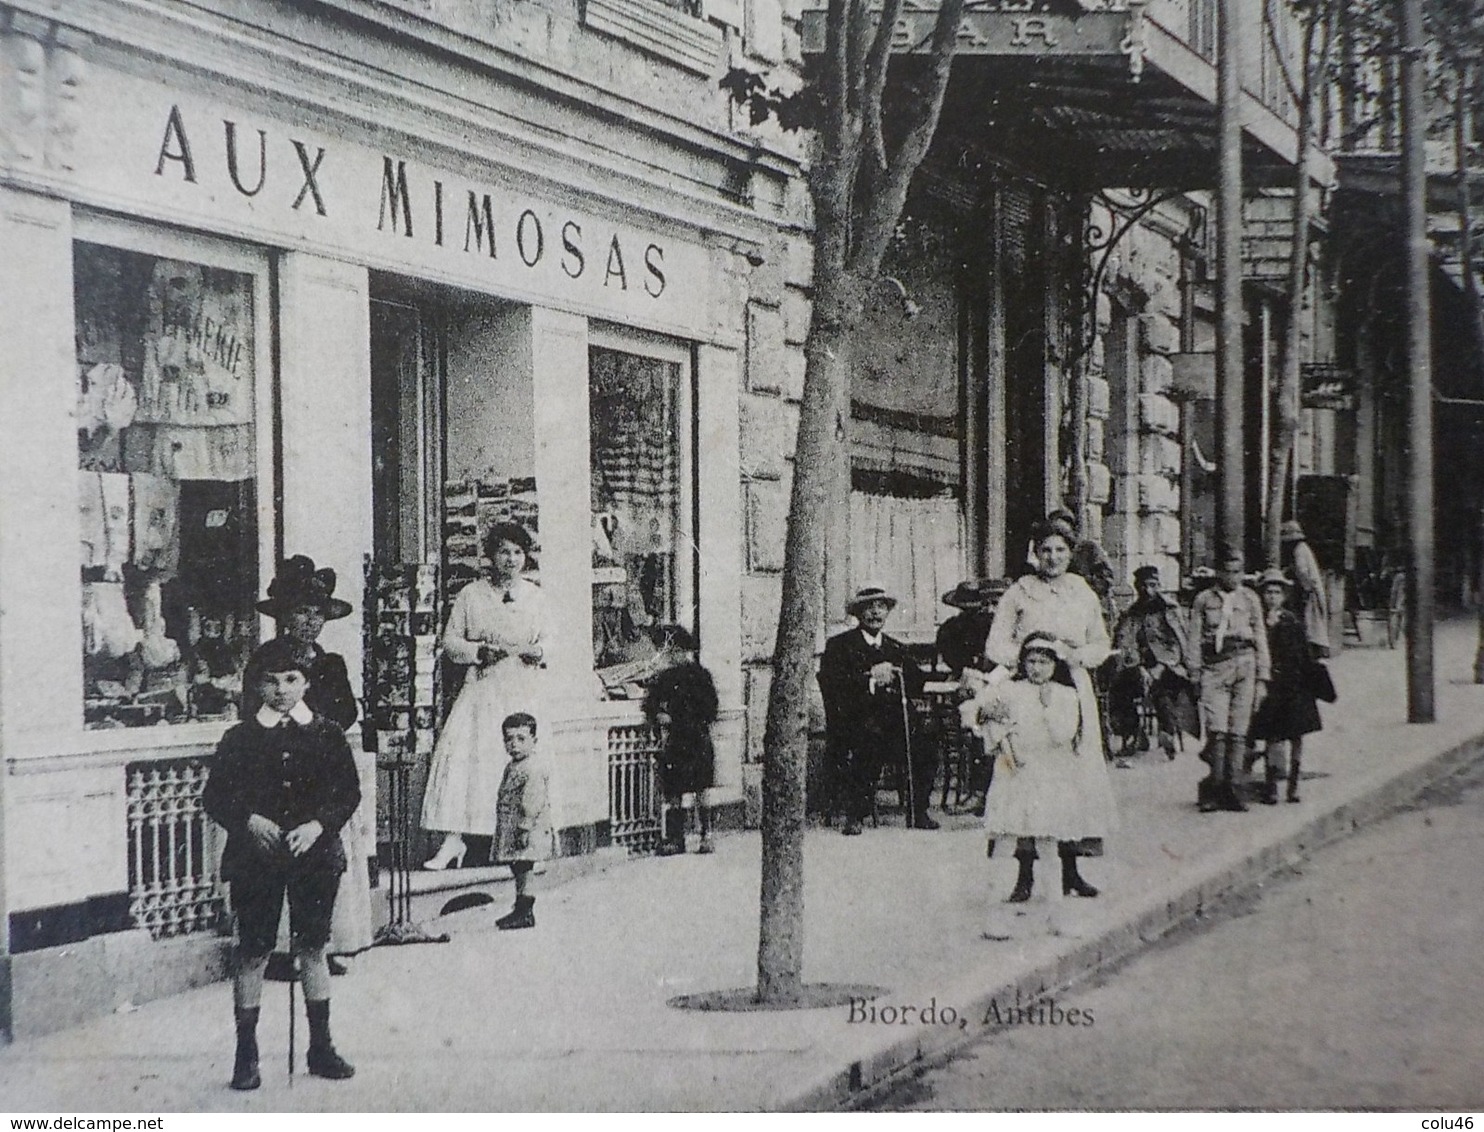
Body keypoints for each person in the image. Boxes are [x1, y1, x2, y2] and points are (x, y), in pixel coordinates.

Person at [202, 637, 360, 1090]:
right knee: (253, 950)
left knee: (313, 947)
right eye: (270, 682)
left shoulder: (328, 734)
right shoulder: (240, 738)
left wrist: (318, 825)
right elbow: (215, 796)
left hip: (316, 856)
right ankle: (246, 1053)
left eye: (291, 680)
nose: (282, 691)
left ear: (307, 682)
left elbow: (347, 793)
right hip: (257, 859)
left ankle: (321, 1046)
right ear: (257, 686)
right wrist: (247, 820)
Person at [243, 556, 370, 979]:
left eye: (317, 614)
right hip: (274, 770)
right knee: (276, 855)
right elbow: (251, 713)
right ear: (284, 616)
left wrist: (317, 726)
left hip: (320, 771)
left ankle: (317, 945)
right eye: (301, 613)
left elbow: (347, 711)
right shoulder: (267, 662)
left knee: (322, 860)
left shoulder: (330, 664)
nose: (310, 622)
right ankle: (279, 952)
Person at [984, 519, 1114, 886]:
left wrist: (1072, 654)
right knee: (1025, 777)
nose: (1053, 557)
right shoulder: (1020, 592)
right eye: (1045, 550)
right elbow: (995, 644)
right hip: (1027, 689)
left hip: (1071, 689)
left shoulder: (1082, 591)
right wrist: (1029, 657)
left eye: (1060, 550)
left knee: (1072, 777)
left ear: (1070, 554)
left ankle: (1070, 871)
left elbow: (1100, 643)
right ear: (1035, 553)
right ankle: (1024, 875)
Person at [422, 523, 548, 870]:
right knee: (469, 759)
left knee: (522, 762)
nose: (511, 559)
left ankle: (526, 846)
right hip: (482, 688)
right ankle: (454, 842)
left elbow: (553, 640)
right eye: (504, 551)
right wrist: (478, 652)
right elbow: (450, 643)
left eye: (518, 552)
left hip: (521, 689)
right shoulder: (471, 595)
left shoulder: (536, 596)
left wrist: (537, 651)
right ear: (491, 556)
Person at [963, 633, 1117, 903]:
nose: (1036, 668)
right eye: (1031, 661)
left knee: (1048, 840)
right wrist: (988, 717)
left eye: (1044, 662)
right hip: (1015, 773)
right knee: (1006, 837)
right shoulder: (1011, 689)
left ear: (1056, 665)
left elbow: (1063, 734)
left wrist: (1047, 707)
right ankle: (996, 907)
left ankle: (1056, 910)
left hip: (1049, 774)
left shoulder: (1067, 695)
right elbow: (979, 714)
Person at [818, 583, 936, 835]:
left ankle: (919, 811)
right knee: (869, 740)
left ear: (887, 612)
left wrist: (898, 675)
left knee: (926, 741)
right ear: (858, 613)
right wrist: (869, 678)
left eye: (881, 607)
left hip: (893, 723)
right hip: (854, 722)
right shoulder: (839, 645)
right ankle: (856, 814)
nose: (875, 612)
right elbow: (832, 684)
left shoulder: (896, 648)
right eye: (868, 607)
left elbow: (917, 682)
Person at [1188, 546, 1270, 813]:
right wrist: (1195, 672)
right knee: (1217, 729)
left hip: (1245, 664)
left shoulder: (1250, 599)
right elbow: (1194, 638)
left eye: (1238, 572)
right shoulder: (1203, 600)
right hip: (1215, 667)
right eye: (1228, 571)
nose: (1233, 577)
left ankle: (1234, 790)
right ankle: (1214, 789)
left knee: (1238, 731)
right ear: (1218, 572)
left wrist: (1262, 677)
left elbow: (1260, 637)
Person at [642, 626, 719, 855]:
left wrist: (692, 718)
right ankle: (678, 838)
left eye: (674, 650)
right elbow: (650, 704)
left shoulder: (700, 675)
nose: (672, 655)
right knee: (675, 791)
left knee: (701, 790)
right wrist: (659, 715)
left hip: (696, 737)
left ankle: (706, 835)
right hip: (678, 738)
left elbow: (712, 708)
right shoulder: (666, 677)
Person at [1108, 565, 1196, 764]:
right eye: (1144, 586)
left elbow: (1179, 643)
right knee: (1120, 686)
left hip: (1169, 667)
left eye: (1153, 585)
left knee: (1162, 688)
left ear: (1159, 585)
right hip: (1139, 667)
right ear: (1137, 587)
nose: (1149, 591)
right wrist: (1138, 666)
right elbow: (1124, 642)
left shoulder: (1170, 610)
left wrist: (1162, 666)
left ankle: (1168, 732)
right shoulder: (1132, 613)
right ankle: (1132, 733)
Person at [1250, 568, 1323, 804]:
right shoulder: (1257, 622)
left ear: (1283, 596)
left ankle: (1293, 785)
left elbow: (1304, 655)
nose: (1271, 597)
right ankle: (1271, 786)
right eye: (1268, 592)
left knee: (1296, 736)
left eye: (1276, 592)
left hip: (1294, 686)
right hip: (1271, 686)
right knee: (1272, 736)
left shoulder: (1292, 621)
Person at [491, 713, 553, 931]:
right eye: (509, 739)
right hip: (512, 824)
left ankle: (525, 911)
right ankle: (520, 907)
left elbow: (533, 801)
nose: (514, 745)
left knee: (524, 865)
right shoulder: (513, 766)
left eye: (521, 739)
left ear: (534, 741)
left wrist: (524, 827)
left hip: (525, 827)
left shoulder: (532, 768)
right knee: (517, 866)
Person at [1281, 520, 1331, 658]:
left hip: (1309, 592)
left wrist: (1305, 589)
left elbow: (1302, 572)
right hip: (1312, 588)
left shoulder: (1299, 550)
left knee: (1311, 623)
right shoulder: (1303, 548)